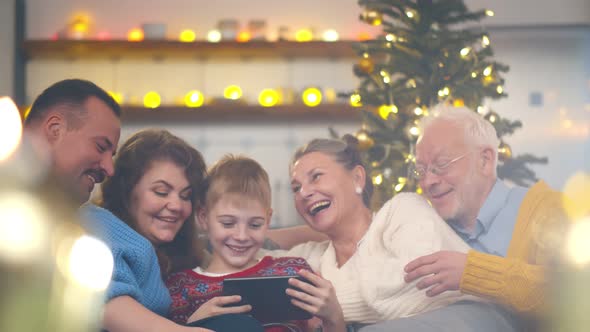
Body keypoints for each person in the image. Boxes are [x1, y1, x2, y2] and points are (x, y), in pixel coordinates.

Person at [363, 106, 568, 331]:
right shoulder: (422, 224)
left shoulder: (547, 209)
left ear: (485, 161)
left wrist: (473, 272)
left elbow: (574, 293)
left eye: (441, 165)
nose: (428, 181)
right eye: (421, 170)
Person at [259, 137, 496, 332]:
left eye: (316, 176)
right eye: (296, 188)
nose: (305, 192)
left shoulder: (402, 211)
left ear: (357, 178)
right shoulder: (317, 259)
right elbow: (246, 253)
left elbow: (409, 290)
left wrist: (330, 305)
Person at [80, 129, 263, 332]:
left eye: (185, 196)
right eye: (162, 192)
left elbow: (260, 237)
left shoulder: (186, 255)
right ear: (126, 190)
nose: (176, 205)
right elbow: (105, 299)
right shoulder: (98, 225)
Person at [166, 154, 313, 332]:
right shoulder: (182, 287)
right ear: (203, 218)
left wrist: (331, 314)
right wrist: (193, 325)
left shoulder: (292, 271)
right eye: (228, 223)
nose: (242, 236)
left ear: (267, 220)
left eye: (255, 224)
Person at [24, 78, 122, 205]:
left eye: (112, 155)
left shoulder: (100, 222)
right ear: (55, 130)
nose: (110, 169)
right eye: (100, 147)